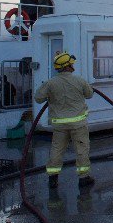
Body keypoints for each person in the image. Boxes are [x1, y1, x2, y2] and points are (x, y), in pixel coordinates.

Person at [34, 52, 95, 189]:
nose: (73, 65)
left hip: (60, 125)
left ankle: (53, 178)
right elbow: (89, 94)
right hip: (78, 124)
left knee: (57, 149)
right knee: (81, 149)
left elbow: (38, 98)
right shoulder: (79, 80)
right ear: (67, 66)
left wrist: (50, 94)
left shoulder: (51, 83)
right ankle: (83, 178)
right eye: (71, 64)